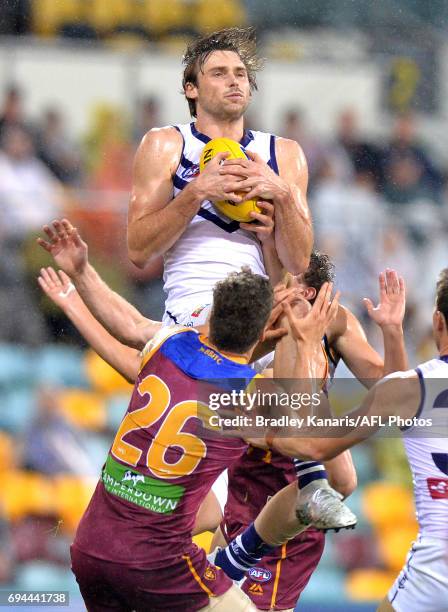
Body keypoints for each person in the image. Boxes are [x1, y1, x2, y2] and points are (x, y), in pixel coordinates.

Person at [37, 219, 348, 611]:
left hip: (90, 548)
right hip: (157, 563)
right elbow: (305, 436)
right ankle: (239, 556)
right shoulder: (240, 396)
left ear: (211, 319)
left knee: (209, 511)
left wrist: (79, 278)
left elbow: (128, 326)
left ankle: (236, 556)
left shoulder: (169, 345)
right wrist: (303, 341)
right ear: (261, 335)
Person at [249, 269, 448, 612]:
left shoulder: (415, 387)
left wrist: (251, 427)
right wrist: (391, 331)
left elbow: (317, 448)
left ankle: (233, 558)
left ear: (438, 323)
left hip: (438, 567)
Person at [127, 27, 313, 330]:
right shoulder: (166, 144)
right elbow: (138, 250)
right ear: (191, 88)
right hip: (192, 310)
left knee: (332, 325)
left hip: (260, 312)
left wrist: (281, 193)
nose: (233, 80)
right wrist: (196, 191)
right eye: (218, 73)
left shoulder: (285, 153)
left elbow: (298, 261)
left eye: (240, 74)